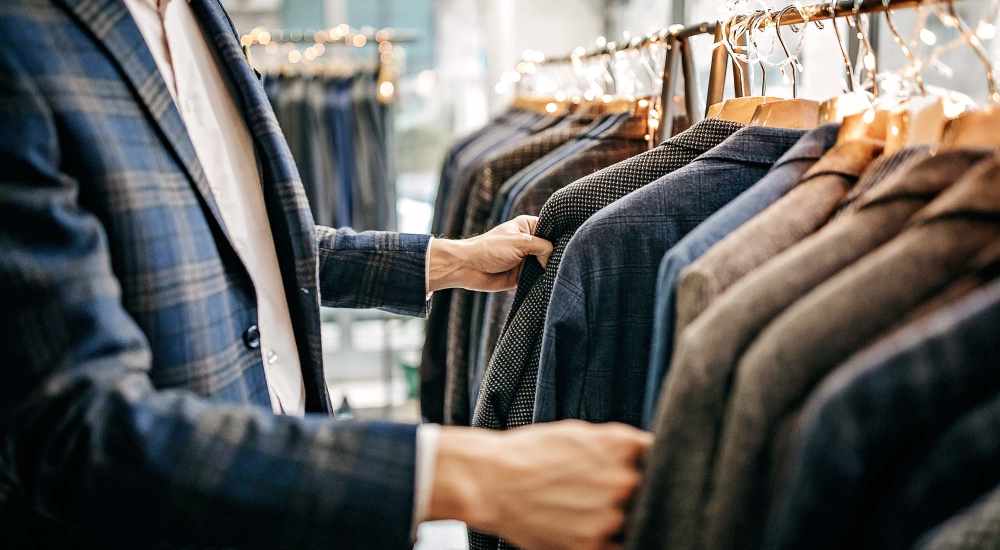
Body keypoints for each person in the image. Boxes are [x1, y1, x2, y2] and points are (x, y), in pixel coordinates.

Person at [0, 1, 651, 549]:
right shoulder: (23, 36)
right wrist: (459, 473)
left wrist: (447, 259)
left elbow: (238, 246)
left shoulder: (202, 17)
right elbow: (74, 428)